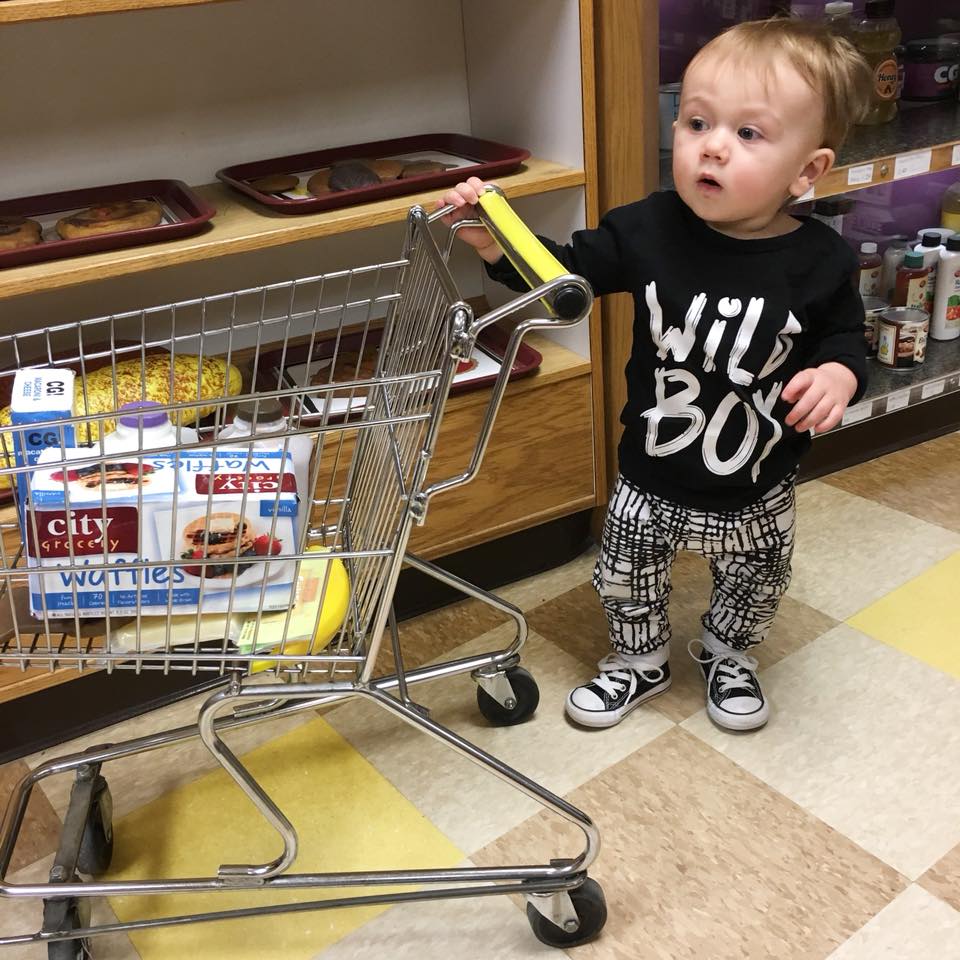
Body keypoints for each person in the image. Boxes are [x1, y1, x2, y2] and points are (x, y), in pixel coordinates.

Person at [438, 17, 873, 732]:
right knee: (625, 577)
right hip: (649, 469)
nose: (712, 145)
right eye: (697, 121)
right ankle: (637, 663)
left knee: (755, 580)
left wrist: (838, 374)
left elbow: (845, 336)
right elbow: (561, 274)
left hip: (757, 477)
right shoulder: (647, 229)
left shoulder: (820, 261)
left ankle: (728, 652)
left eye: (749, 134)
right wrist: (497, 242)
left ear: (808, 170)